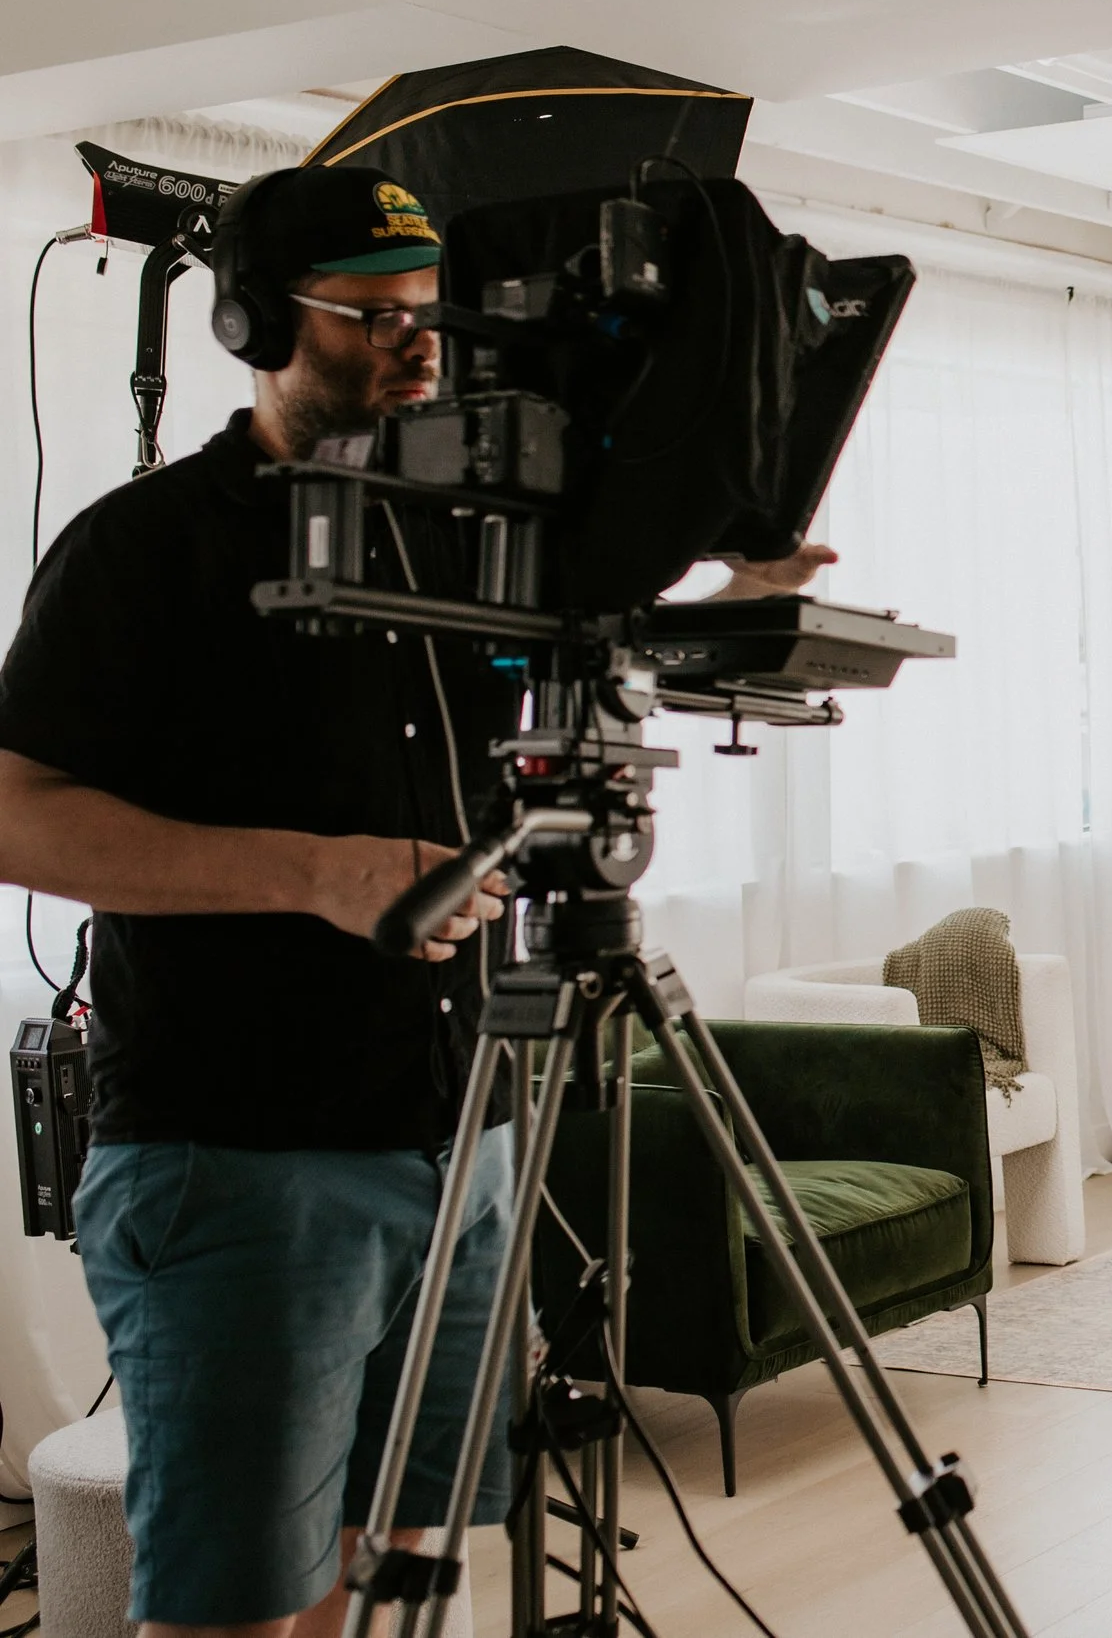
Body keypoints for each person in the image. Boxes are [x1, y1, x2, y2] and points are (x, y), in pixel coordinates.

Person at [0, 166, 824, 1637]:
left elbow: (586, 625)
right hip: (241, 1160)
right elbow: (11, 811)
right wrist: (305, 870)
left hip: (465, 1139)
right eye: (370, 317)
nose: (418, 345)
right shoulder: (145, 549)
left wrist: (729, 583)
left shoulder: (471, 538)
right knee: (243, 1602)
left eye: (426, 313)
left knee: (403, 1567)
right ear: (258, 325)